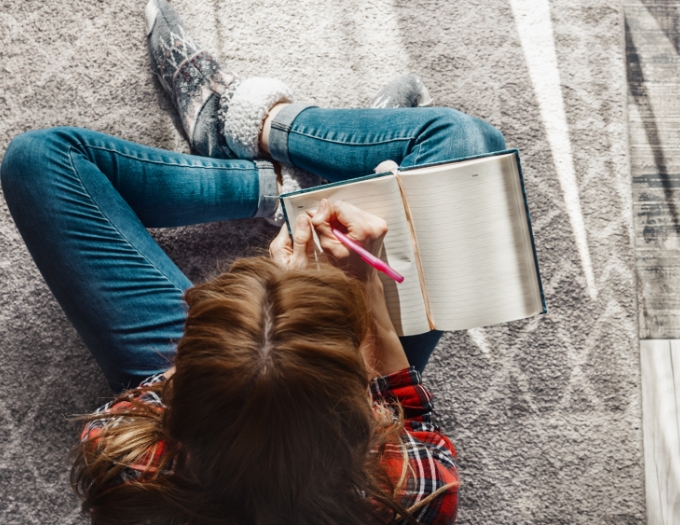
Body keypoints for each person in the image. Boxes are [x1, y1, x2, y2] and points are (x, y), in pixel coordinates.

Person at [0, 1, 506, 523]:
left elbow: (187, 398)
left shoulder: (126, 464)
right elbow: (412, 418)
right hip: (277, 395)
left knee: (40, 159)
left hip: (255, 395)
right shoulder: (411, 494)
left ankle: (256, 156)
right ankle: (280, 133)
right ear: (359, 414)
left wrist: (245, 359)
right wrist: (368, 303)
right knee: (471, 150)